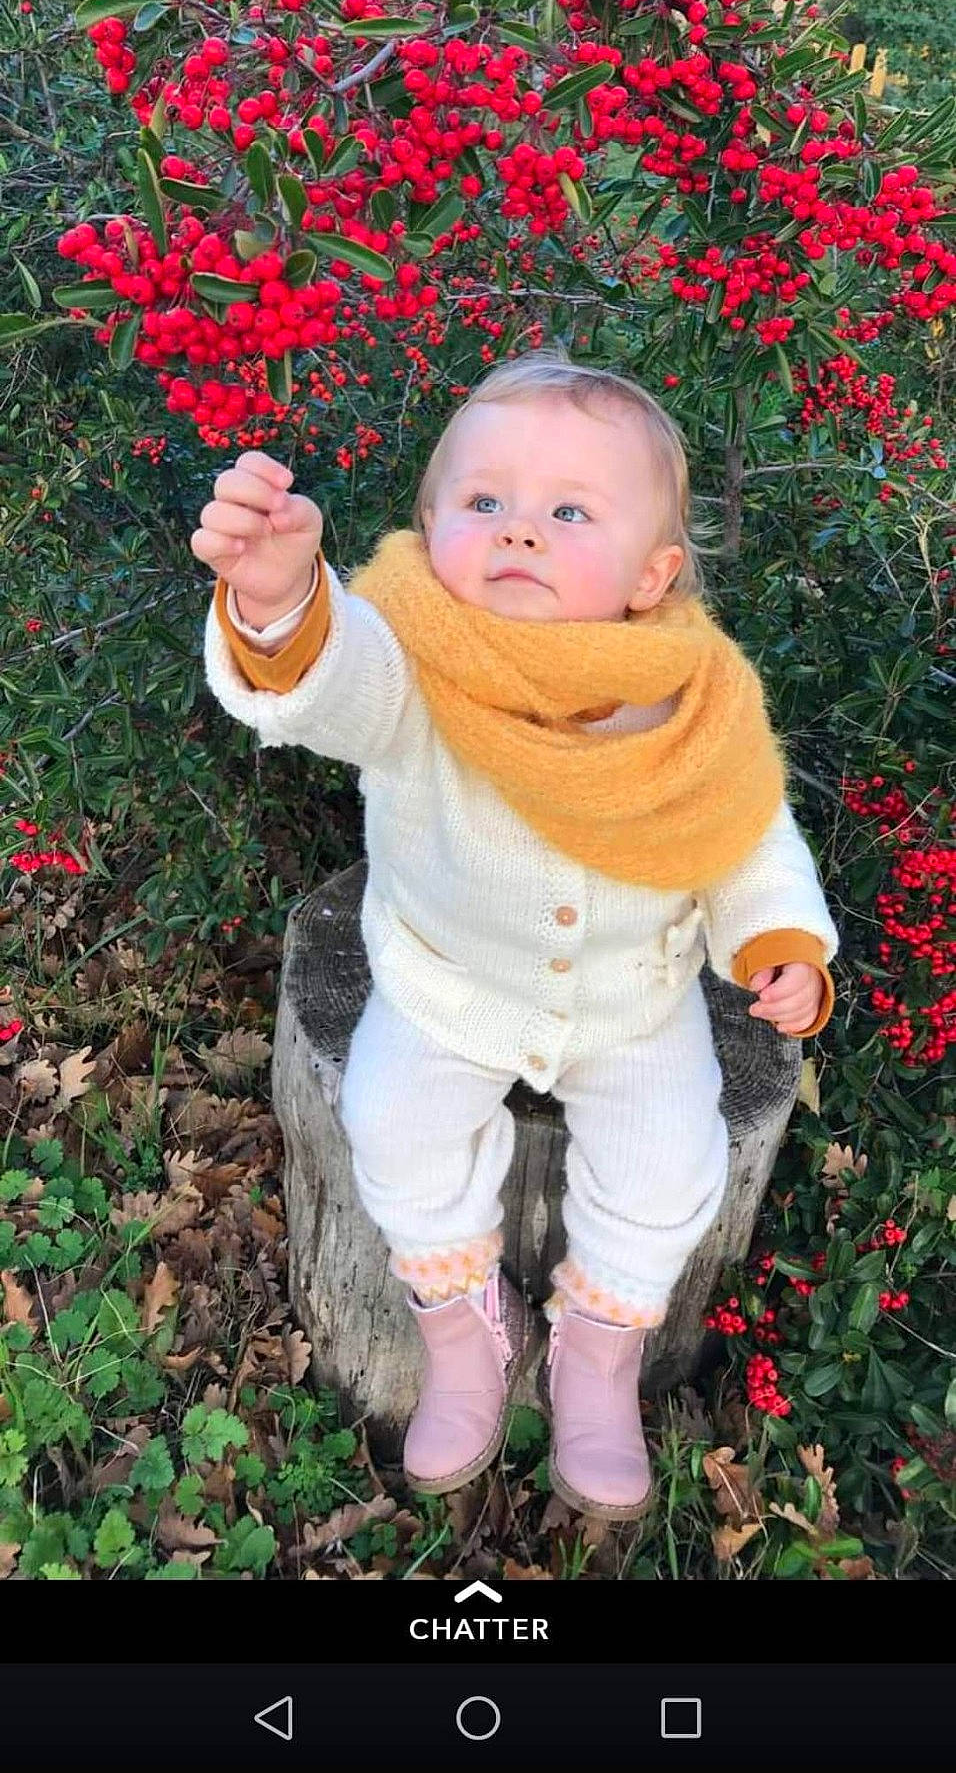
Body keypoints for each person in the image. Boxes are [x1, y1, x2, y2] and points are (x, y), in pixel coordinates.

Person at [193, 349, 838, 1523]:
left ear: (651, 573)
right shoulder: (413, 657)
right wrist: (282, 605)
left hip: (632, 999)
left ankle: (597, 1345)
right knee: (391, 1117)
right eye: (483, 499)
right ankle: (461, 1324)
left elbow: (743, 833)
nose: (519, 529)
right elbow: (329, 685)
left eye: (569, 511)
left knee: (669, 1159)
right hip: (447, 984)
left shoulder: (695, 696)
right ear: (430, 522)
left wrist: (776, 940)